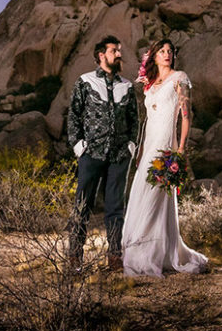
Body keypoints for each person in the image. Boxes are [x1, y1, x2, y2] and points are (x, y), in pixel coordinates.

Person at [122, 38, 208, 277]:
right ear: (154, 56)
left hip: (165, 146)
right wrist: (140, 149)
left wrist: (181, 148)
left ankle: (153, 254)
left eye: (170, 51)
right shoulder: (149, 84)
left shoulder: (180, 77)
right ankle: (138, 248)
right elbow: (146, 120)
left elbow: (186, 115)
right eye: (162, 51)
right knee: (141, 194)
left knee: (156, 197)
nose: (167, 54)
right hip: (148, 145)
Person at [66, 35, 139, 271]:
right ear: (101, 55)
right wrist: (78, 146)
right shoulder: (84, 82)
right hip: (91, 154)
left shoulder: (126, 85)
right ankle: (75, 257)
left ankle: (115, 257)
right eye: (114, 51)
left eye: (119, 50)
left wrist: (131, 145)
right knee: (82, 205)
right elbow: (74, 116)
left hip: (119, 155)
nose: (119, 54)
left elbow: (134, 120)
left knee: (115, 207)